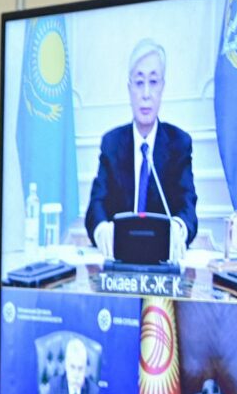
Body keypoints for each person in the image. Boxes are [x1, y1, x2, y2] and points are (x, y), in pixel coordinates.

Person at [85, 39, 199, 259]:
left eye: (153, 82)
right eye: (139, 83)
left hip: (162, 263)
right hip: (119, 261)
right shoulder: (112, 144)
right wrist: (102, 230)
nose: (146, 93)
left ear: (162, 87)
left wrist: (178, 228)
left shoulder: (179, 144)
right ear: (129, 90)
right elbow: (96, 206)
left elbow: (188, 208)